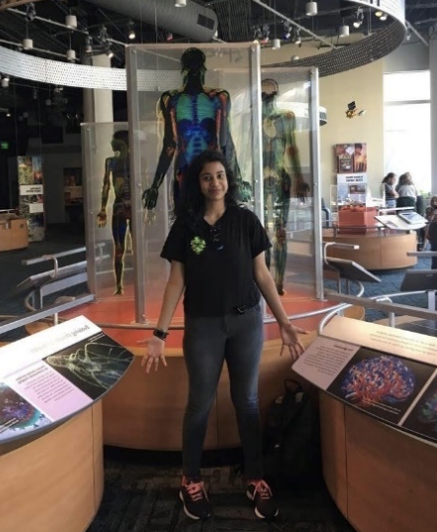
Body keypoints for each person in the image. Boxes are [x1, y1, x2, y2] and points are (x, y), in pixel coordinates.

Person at [141, 150, 306, 521]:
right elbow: (176, 281)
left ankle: (255, 477)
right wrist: (159, 332)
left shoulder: (246, 221)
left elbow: (262, 274)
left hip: (247, 322)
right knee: (199, 404)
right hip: (203, 325)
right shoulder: (185, 227)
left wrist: (283, 320)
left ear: (228, 180)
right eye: (206, 177)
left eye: (220, 175)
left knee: (247, 401)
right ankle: (192, 480)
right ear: (196, 184)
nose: (214, 182)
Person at [144, 48, 250, 213]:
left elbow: (225, 142)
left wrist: (238, 180)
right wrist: (154, 186)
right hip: (187, 174)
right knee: (187, 227)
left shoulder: (218, 97)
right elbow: (170, 144)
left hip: (207, 173)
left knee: (212, 223)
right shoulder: (171, 99)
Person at [261, 78, 308, 295]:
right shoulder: (252, 117)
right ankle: (266, 281)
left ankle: (278, 282)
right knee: (262, 234)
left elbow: (291, 149)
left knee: (279, 232)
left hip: (279, 179)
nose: (267, 96)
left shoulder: (286, 117)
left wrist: (299, 178)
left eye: (269, 92)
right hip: (261, 180)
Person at [97, 130, 133, 295]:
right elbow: (106, 185)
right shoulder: (110, 162)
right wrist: (103, 208)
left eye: (114, 140)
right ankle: (119, 285)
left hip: (132, 207)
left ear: (122, 142)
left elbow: (144, 184)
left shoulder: (137, 159)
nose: (111, 143)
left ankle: (135, 283)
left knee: (135, 247)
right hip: (120, 206)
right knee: (119, 249)